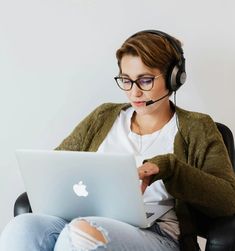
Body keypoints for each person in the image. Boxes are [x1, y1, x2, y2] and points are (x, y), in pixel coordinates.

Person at [1, 29, 235, 251]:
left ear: (174, 78)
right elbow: (58, 167)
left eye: (145, 80)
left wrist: (170, 168)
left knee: (80, 234)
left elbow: (227, 200)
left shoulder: (198, 127)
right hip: (83, 220)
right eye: (126, 80)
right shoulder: (104, 115)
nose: (134, 92)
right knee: (22, 228)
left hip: (156, 233)